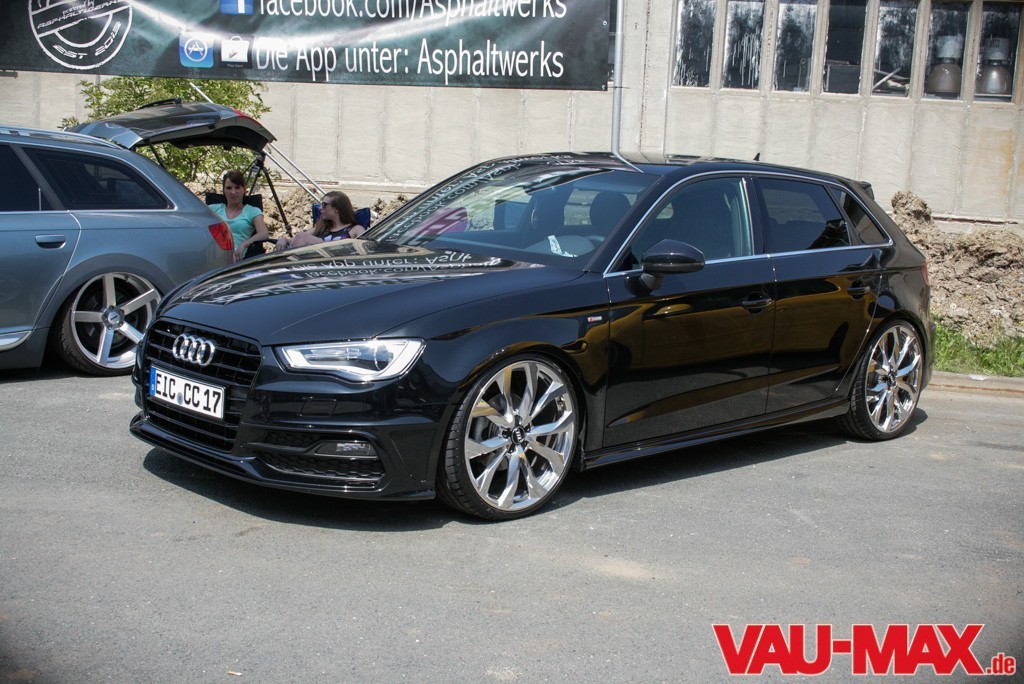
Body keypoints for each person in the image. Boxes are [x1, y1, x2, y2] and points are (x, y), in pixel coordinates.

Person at [275, 190, 366, 251]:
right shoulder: (321, 227)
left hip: (337, 263)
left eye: (324, 205)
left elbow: (366, 248)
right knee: (302, 236)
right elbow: (294, 240)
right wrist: (283, 239)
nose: (320, 208)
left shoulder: (355, 229)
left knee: (303, 236)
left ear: (337, 209)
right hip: (314, 264)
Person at [209, 170, 269, 259]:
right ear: (224, 190)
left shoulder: (252, 211)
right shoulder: (213, 209)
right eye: (229, 188)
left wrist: (244, 244)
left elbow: (264, 233)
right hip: (211, 251)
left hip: (235, 254)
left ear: (244, 189)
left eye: (237, 187)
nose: (233, 192)